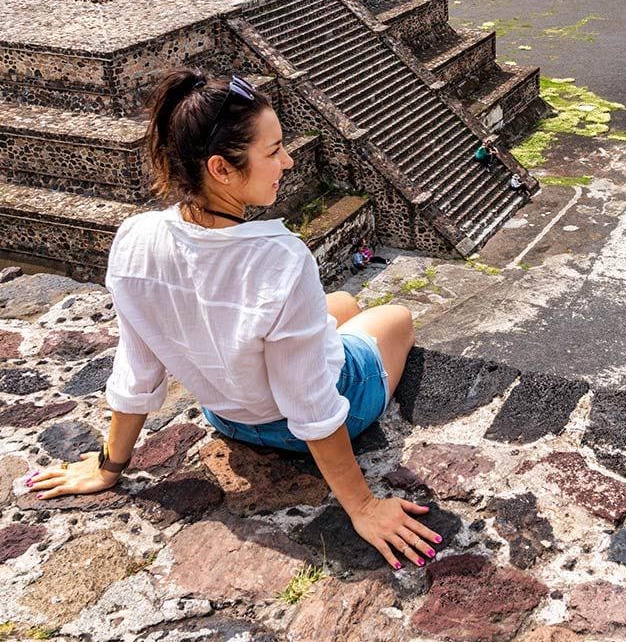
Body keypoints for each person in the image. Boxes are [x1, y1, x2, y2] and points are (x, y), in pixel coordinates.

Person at [25, 69, 440, 571]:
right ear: (222, 168)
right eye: (273, 151)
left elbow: (138, 369)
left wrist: (109, 467)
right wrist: (364, 506)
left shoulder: (135, 239)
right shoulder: (280, 258)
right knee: (394, 316)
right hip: (315, 419)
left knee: (342, 308)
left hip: (230, 417)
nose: (287, 162)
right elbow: (310, 405)